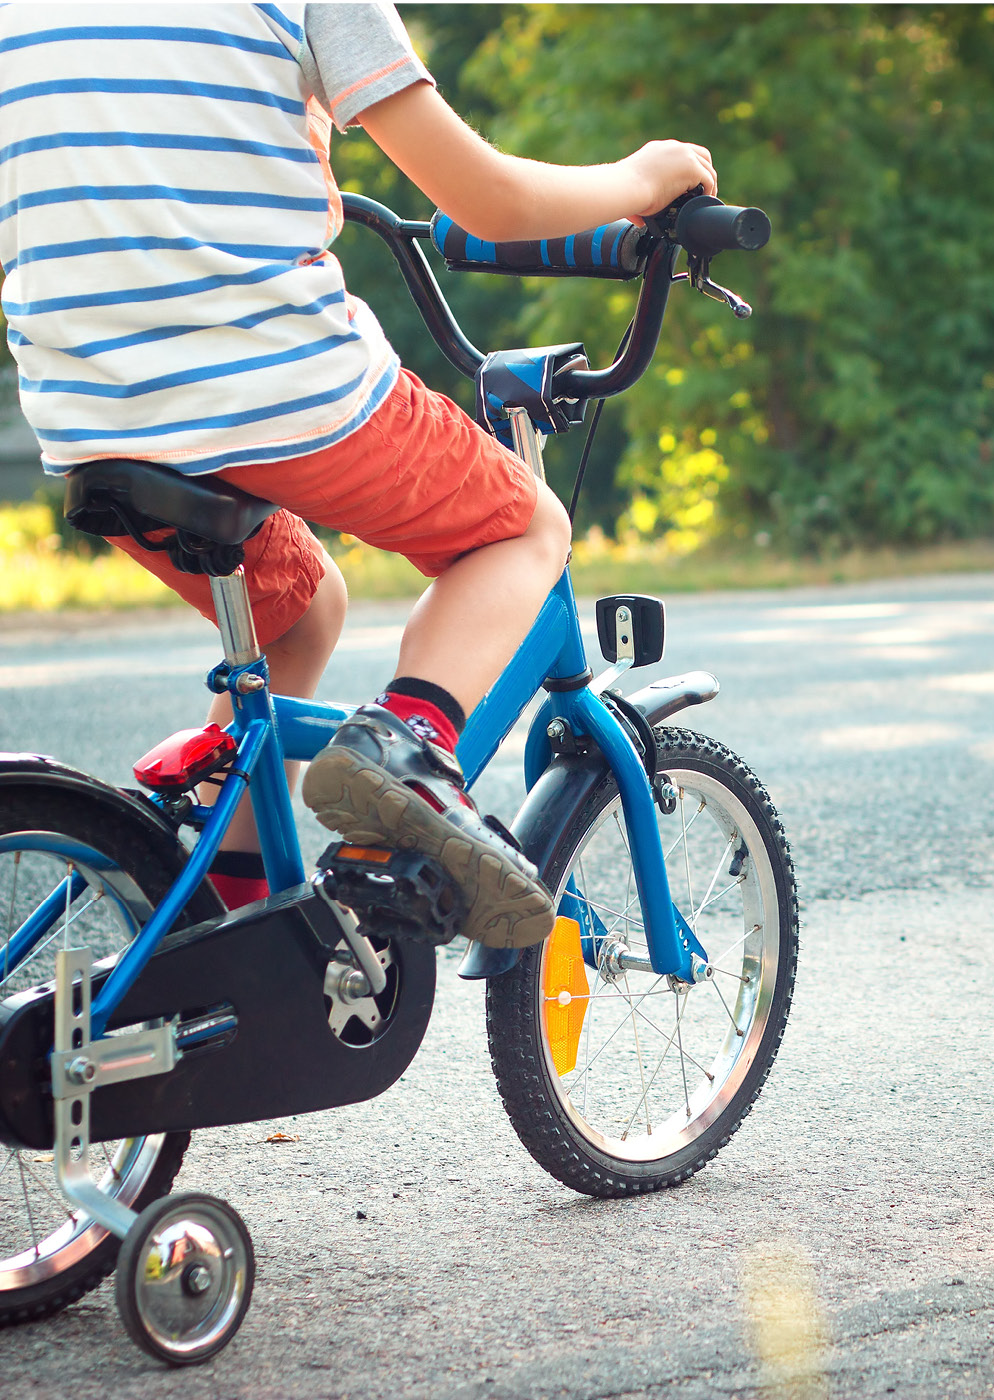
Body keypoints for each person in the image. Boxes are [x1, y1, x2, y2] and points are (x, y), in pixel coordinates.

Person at [0, 4, 716, 948]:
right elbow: (489, 201)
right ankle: (404, 744)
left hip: (88, 410)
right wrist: (645, 177)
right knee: (525, 529)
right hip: (277, 381)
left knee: (298, 608)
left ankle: (224, 924)